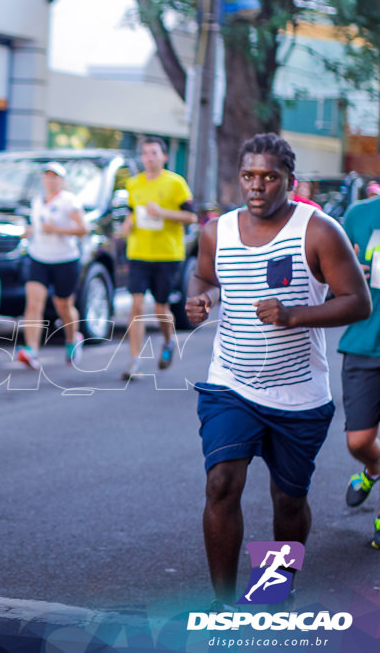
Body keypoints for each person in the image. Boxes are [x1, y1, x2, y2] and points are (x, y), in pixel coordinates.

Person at [185, 133, 371, 607]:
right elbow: (206, 275)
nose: (257, 186)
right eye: (249, 176)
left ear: (290, 180)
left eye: (269, 177)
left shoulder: (318, 230)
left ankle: (272, 588)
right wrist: (203, 297)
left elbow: (358, 301)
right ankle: (224, 603)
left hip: (299, 395)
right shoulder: (217, 231)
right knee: (221, 481)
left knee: (288, 500)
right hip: (232, 382)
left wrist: (294, 315)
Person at [120, 137, 198, 380]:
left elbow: (192, 218)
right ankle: (135, 361)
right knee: (137, 306)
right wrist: (127, 224)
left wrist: (163, 213)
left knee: (161, 307)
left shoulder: (176, 183)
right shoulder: (133, 184)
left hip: (167, 253)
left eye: (154, 153)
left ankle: (168, 341)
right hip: (138, 252)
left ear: (164, 157)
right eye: (145, 153)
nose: (149, 157)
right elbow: (131, 213)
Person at [336, 186, 380, 549]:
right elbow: (331, 281)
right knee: (359, 440)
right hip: (365, 341)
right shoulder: (358, 216)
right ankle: (373, 468)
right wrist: (351, 276)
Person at [15, 162, 88, 369]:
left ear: (62, 181)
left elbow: (84, 229)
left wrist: (57, 229)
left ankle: (73, 339)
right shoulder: (37, 201)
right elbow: (37, 226)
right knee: (33, 304)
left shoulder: (69, 202)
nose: (50, 180)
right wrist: (29, 232)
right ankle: (32, 351)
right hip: (38, 257)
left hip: (65, 260)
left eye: (55, 176)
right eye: (47, 176)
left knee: (63, 306)